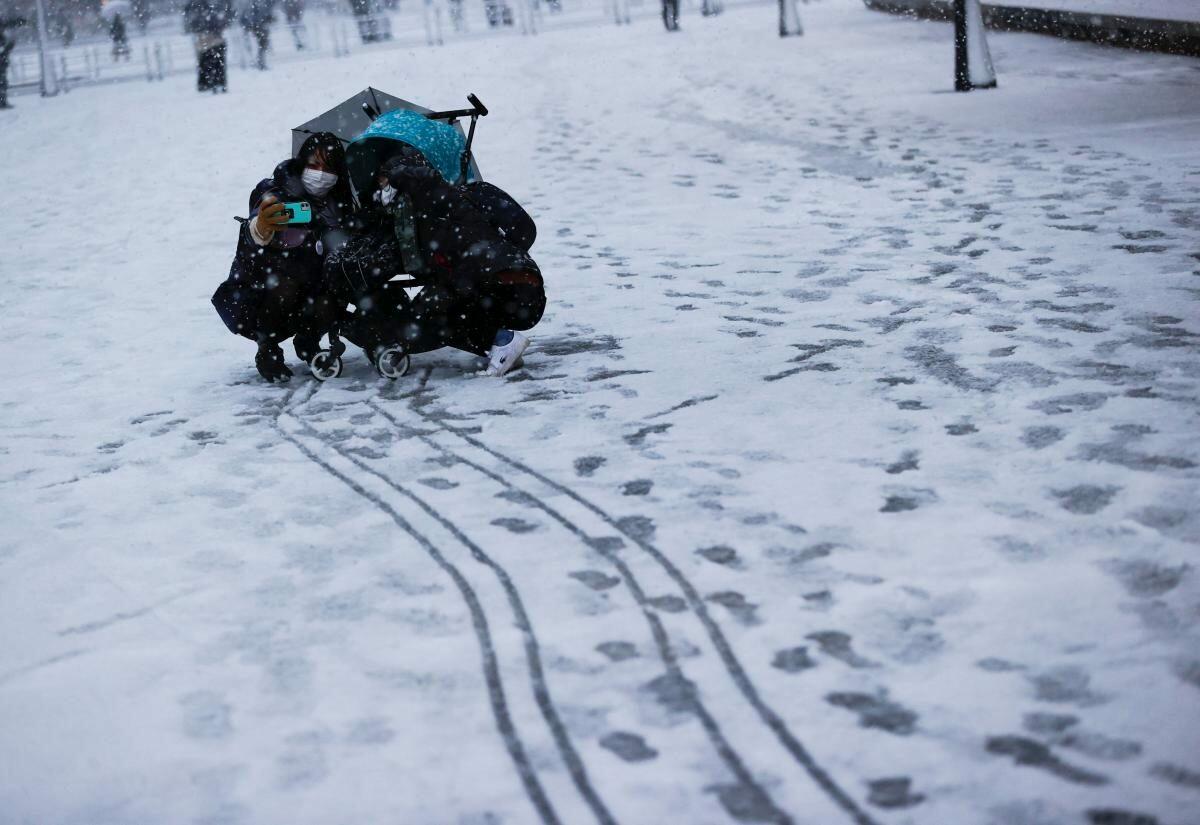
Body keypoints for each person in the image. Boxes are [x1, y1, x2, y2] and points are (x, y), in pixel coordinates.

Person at [324, 147, 545, 377]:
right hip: (519, 283)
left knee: (437, 317)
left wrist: (399, 174)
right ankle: (502, 345)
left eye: (383, 180)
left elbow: (462, 262)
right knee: (438, 313)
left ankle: (503, 341)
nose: (382, 188)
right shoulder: (445, 204)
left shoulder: (433, 204)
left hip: (507, 286)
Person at [211, 133, 358, 382]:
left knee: (336, 288)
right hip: (268, 290)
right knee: (284, 286)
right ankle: (267, 348)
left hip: (314, 287)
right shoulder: (276, 191)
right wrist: (263, 226)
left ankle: (309, 341)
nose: (321, 174)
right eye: (314, 165)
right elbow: (256, 224)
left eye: (329, 167)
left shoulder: (340, 205)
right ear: (301, 164)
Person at [184, 0, 233, 93]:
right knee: (216, 65)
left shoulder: (202, 13)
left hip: (208, 43)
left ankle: (212, 84)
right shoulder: (211, 12)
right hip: (213, 42)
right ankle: (217, 83)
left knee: (210, 64)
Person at [239, 0, 272, 71]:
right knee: (260, 46)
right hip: (257, 29)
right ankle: (258, 63)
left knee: (261, 47)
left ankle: (259, 63)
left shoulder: (253, 5)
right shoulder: (255, 6)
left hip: (257, 29)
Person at [0, 18, 20, 110]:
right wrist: (11, 44)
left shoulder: (2, 36)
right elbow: (2, 51)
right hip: (1, 64)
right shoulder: (1, 37)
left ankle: (3, 102)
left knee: (3, 83)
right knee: (2, 83)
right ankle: (2, 102)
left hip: (2, 63)